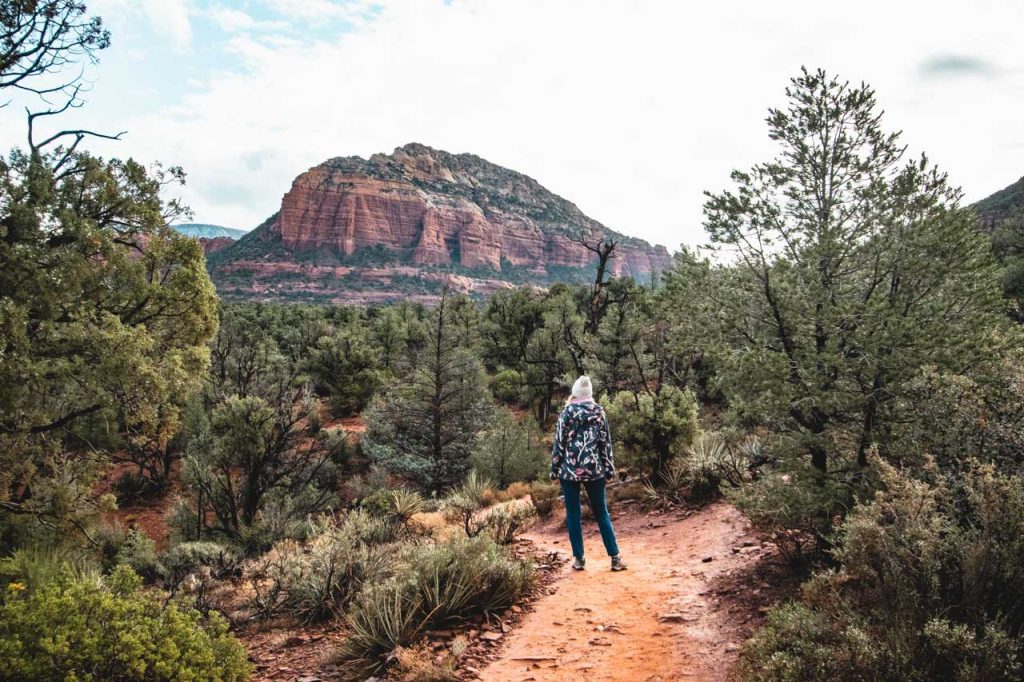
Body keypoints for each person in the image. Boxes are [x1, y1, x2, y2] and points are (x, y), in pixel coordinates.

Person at [550, 375, 626, 571]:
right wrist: (609, 469)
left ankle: (579, 559)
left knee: (573, 515)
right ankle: (615, 558)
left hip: (570, 471)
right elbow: (605, 444)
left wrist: (554, 469)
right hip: (595, 470)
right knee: (601, 513)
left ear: (574, 393)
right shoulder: (599, 412)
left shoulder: (566, 413)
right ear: (590, 394)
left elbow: (559, 443)